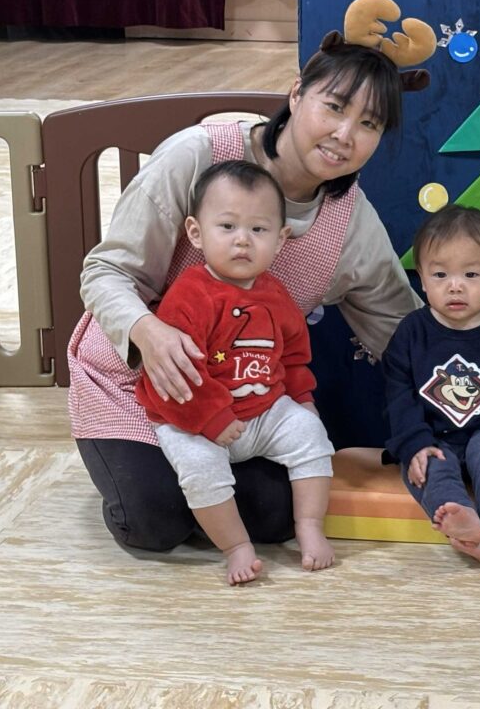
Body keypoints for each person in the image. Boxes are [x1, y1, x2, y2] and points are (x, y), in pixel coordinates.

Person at [69, 0, 435, 555]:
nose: (344, 134)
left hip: (243, 404)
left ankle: (205, 495)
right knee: (152, 520)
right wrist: (148, 331)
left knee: (276, 514)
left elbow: (400, 328)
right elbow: (105, 271)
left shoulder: (351, 222)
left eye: (369, 124)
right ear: (296, 94)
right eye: (334, 107)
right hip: (134, 383)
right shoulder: (199, 156)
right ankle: (136, 467)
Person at [137, 160, 336, 584]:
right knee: (200, 468)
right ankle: (235, 547)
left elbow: (294, 357)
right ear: (196, 233)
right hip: (194, 420)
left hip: (263, 411)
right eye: (227, 227)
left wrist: (303, 400)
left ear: (280, 239)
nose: (242, 240)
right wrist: (211, 418)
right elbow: (174, 375)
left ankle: (310, 526)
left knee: (311, 434)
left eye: (258, 230)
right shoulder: (190, 296)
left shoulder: (276, 294)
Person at [382, 205, 480, 566]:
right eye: (440, 274)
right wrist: (415, 444)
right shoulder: (412, 332)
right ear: (422, 279)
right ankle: (459, 514)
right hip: (433, 438)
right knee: (432, 466)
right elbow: (399, 395)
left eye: (471, 274)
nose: (455, 286)